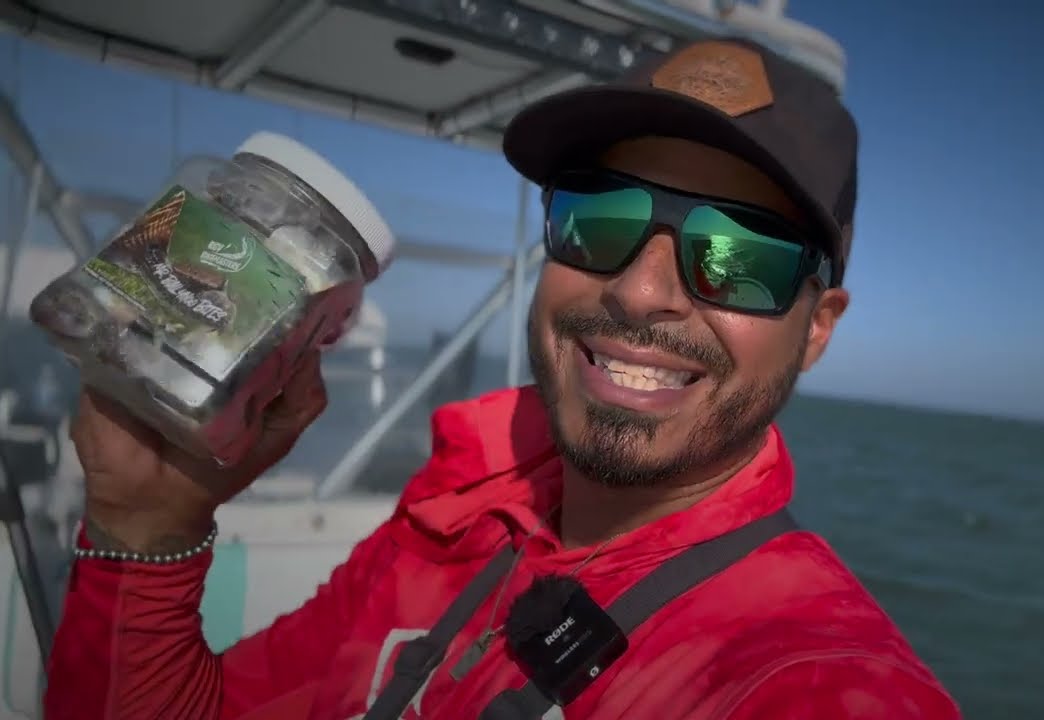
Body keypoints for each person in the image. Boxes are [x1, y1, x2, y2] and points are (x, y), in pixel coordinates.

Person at [43, 37, 960, 719]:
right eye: (599, 218)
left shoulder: (804, 678)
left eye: (739, 255)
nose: (642, 293)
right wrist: (145, 524)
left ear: (816, 331)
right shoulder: (462, 513)